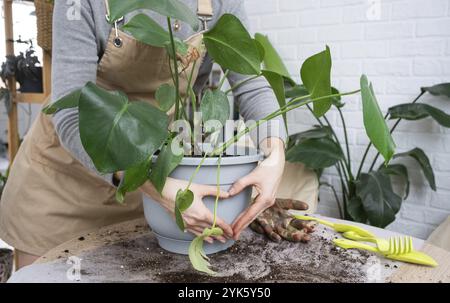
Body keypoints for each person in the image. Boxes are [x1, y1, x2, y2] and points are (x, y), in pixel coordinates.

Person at [0, 0, 315, 269]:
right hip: (62, 187)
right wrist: (157, 186)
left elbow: (251, 82)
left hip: (152, 196)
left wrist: (274, 157)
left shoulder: (216, 4)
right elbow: (72, 114)